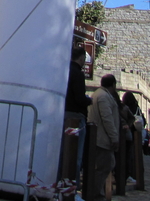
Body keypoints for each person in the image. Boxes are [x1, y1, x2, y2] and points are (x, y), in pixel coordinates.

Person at [60, 46, 91, 190]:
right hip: (76, 118)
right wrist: (89, 101)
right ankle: (72, 189)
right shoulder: (78, 74)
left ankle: (60, 185)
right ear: (82, 58)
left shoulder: (64, 70)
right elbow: (79, 98)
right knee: (76, 156)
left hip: (63, 114)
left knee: (62, 154)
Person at [89, 74, 120, 201]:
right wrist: (114, 137)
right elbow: (107, 118)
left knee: (107, 165)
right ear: (113, 84)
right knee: (103, 167)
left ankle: (97, 193)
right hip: (102, 138)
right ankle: (97, 195)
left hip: (100, 137)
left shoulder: (99, 94)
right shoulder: (104, 97)